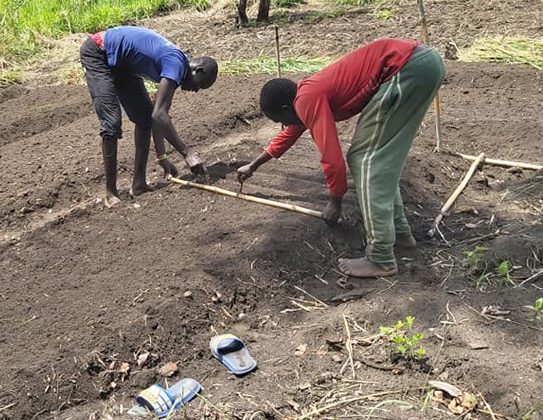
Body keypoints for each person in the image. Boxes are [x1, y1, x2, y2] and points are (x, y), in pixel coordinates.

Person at [234, 38, 446, 279]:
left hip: (406, 67)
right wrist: (254, 165)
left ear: (286, 109)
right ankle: (399, 233)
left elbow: (332, 159)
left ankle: (381, 258)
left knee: (365, 158)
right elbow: (289, 134)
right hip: (418, 65)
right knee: (378, 158)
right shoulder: (305, 95)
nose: (283, 125)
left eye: (279, 120)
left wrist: (335, 201)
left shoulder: (306, 100)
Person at [79, 25, 218, 207]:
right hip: (99, 51)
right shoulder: (176, 64)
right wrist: (188, 153)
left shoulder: (178, 69)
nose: (196, 90)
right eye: (200, 85)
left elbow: (157, 117)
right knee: (111, 123)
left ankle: (139, 184)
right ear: (198, 71)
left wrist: (162, 157)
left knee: (144, 119)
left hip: (123, 65)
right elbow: (160, 114)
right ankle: (110, 193)